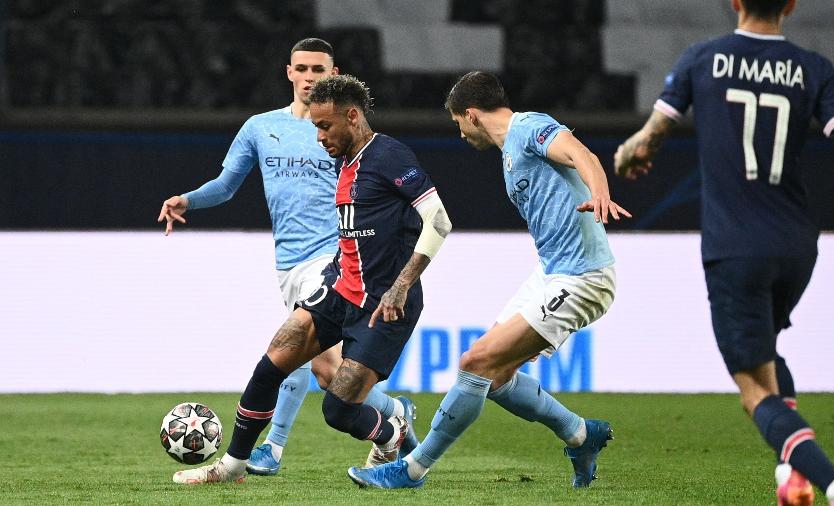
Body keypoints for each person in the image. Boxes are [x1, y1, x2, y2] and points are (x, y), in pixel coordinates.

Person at [614, 1, 834, 504]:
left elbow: (649, 138)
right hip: (797, 245)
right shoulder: (814, 68)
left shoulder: (702, 59)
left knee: (753, 392)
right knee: (768, 354)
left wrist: (631, 153)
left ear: (735, 1)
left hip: (735, 247)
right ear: (791, 5)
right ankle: (792, 479)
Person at [347, 71, 631, 490]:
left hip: (582, 276)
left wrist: (600, 192)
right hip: (550, 272)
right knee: (494, 377)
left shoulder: (529, 127)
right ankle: (580, 435)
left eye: (457, 122)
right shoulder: (510, 150)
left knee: (474, 364)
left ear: (472, 114)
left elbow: (581, 154)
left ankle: (412, 469)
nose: (459, 133)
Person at [170, 73, 451, 484]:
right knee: (272, 363)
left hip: (384, 304)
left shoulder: (389, 155)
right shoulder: (345, 161)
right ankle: (232, 466)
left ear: (353, 116)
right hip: (338, 289)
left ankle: (390, 432)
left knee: (337, 411)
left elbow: (439, 220)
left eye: (324, 126)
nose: (318, 136)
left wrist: (402, 283)